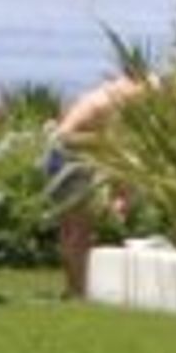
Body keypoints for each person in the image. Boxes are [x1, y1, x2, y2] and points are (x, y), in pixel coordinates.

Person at [46, 67, 151, 299]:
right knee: (79, 231)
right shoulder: (116, 103)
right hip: (70, 158)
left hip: (59, 153)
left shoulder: (101, 95)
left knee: (70, 230)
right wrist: (123, 193)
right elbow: (116, 149)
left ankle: (73, 288)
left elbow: (70, 123)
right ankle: (78, 290)